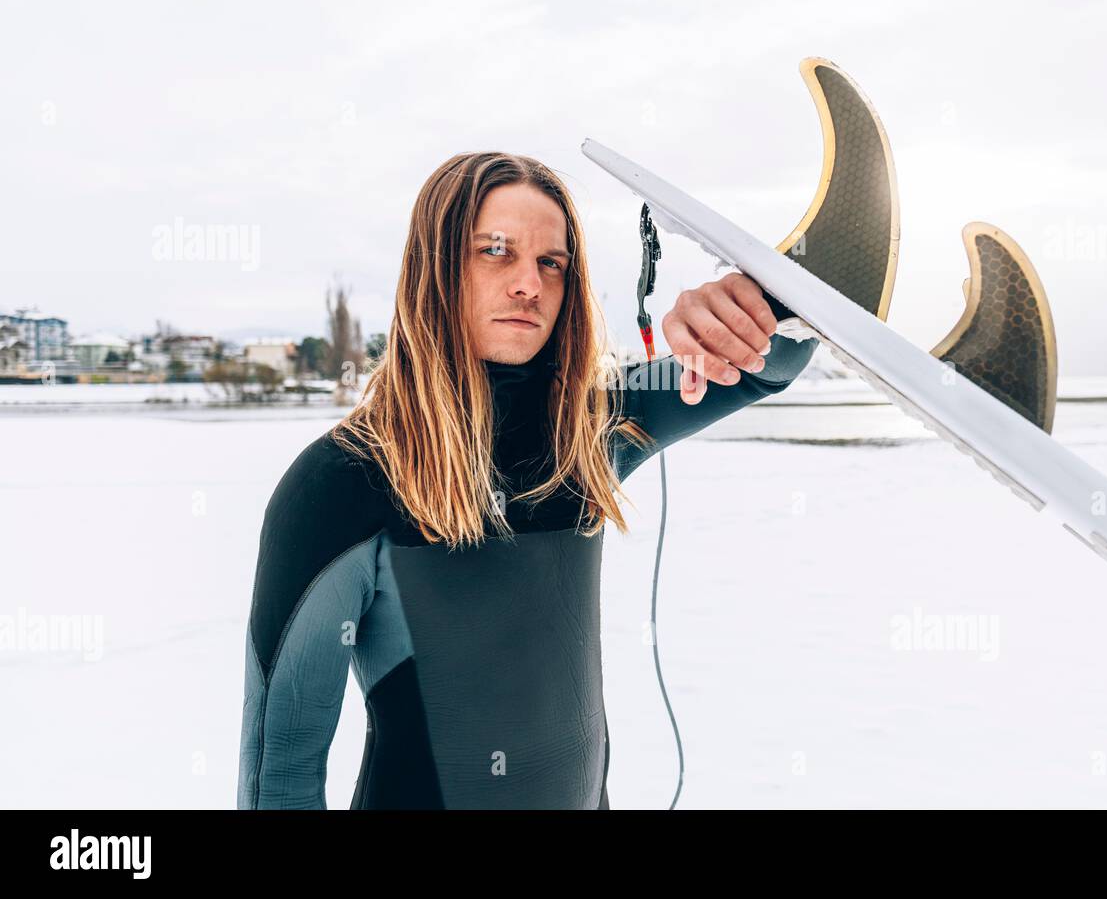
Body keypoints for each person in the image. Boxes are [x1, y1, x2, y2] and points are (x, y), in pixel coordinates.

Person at [237, 151, 819, 809]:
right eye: (495, 251)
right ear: (436, 268)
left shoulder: (591, 431)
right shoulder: (341, 480)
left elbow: (769, 363)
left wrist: (733, 312)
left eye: (552, 263)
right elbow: (281, 766)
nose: (529, 285)